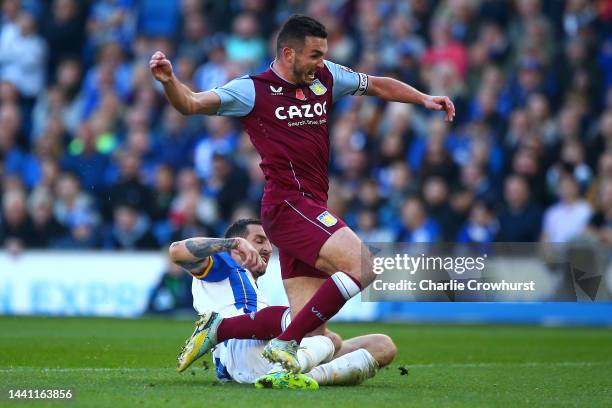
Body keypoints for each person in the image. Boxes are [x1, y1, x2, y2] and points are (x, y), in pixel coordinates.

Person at [151, 14, 452, 373]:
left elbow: (377, 85)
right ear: (288, 53)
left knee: (313, 330)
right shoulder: (252, 89)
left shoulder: (326, 77)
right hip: (288, 204)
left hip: (311, 207)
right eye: (314, 55)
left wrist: (422, 98)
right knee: (362, 265)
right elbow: (191, 103)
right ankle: (284, 343)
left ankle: (222, 329)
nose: (320, 63)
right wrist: (170, 81)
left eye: (323, 54)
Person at [169, 218, 396, 388]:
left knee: (381, 346)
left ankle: (298, 377)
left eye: (269, 242)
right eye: (258, 241)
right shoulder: (222, 264)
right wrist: (232, 242)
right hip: (243, 350)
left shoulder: (247, 284)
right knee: (303, 323)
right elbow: (177, 250)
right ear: (237, 249)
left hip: (255, 358)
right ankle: (295, 373)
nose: (267, 248)